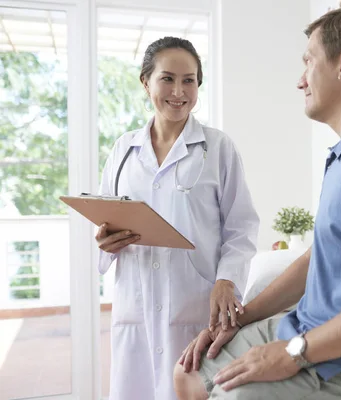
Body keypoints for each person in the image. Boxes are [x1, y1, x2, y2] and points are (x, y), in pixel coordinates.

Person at [174, 6, 341, 400]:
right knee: (188, 372)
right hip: (311, 326)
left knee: (230, 394)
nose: (301, 80)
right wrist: (243, 317)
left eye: (308, 62)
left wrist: (293, 353)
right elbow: (320, 255)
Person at [95, 36, 260, 400]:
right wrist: (104, 243)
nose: (179, 91)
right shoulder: (124, 150)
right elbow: (106, 220)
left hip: (193, 305)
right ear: (146, 82)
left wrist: (227, 280)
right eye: (167, 78)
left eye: (189, 80)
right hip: (135, 305)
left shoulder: (217, 148)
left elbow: (241, 226)